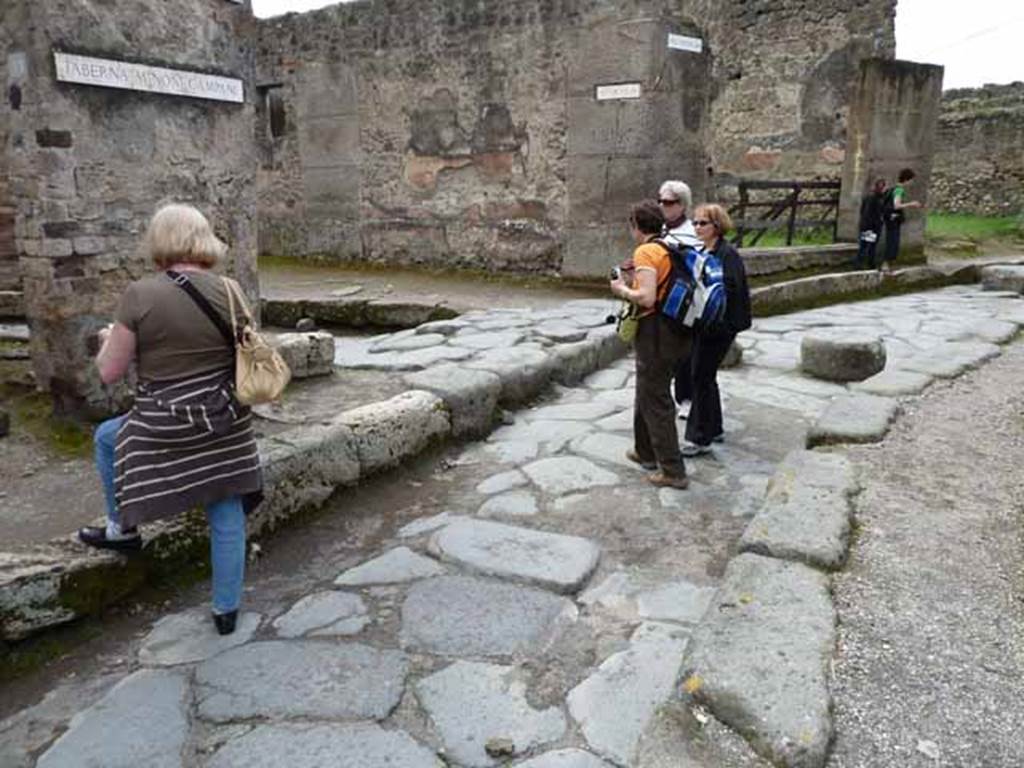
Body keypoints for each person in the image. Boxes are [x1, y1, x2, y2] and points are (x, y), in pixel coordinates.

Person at [78, 203, 263, 636]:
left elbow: (109, 372)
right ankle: (226, 610)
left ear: (159, 241)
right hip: (226, 420)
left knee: (108, 437)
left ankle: (120, 526)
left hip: (166, 423)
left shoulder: (140, 295)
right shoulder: (231, 290)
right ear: (203, 239)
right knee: (226, 503)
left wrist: (109, 339)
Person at [610, 200, 693, 489]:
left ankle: (673, 470)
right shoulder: (666, 247)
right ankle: (645, 451)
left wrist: (621, 288)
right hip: (674, 329)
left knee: (655, 398)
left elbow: (646, 297)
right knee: (647, 390)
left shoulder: (646, 250)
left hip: (656, 331)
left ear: (635, 224)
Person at [681, 203, 751, 457]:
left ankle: (699, 437)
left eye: (703, 223)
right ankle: (715, 427)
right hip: (706, 323)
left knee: (700, 375)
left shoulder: (727, 254)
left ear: (717, 226)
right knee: (705, 375)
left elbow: (728, 290)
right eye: (695, 222)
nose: (697, 227)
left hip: (719, 325)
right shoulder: (706, 250)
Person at [656, 180, 702, 413]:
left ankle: (686, 399)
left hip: (684, 300)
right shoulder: (663, 229)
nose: (662, 206)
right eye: (660, 201)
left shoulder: (691, 233)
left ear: (682, 205)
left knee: (685, 353)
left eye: (668, 202)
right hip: (663, 299)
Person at [880, 168, 924, 273]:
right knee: (893, 241)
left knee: (891, 240)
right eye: (911, 180)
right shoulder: (899, 190)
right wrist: (911, 204)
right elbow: (897, 205)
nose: (912, 183)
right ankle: (887, 264)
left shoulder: (892, 188)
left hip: (889, 218)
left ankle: (888, 264)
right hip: (894, 218)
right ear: (907, 179)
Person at [855, 178, 886, 270]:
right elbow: (869, 213)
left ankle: (864, 263)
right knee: (868, 246)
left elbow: (862, 210)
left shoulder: (870, 197)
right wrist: (876, 224)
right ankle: (866, 264)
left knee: (866, 245)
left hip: (867, 225)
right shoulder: (874, 198)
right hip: (871, 226)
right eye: (883, 187)